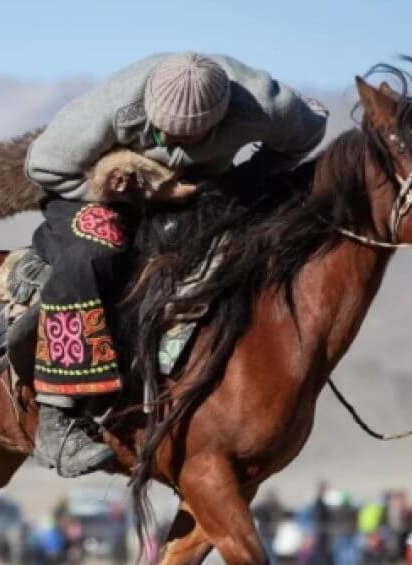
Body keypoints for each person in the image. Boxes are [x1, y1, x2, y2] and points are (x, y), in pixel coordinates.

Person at [24, 52, 329, 476]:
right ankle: (56, 419)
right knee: (91, 255)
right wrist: (143, 194)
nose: (177, 144)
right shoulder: (113, 108)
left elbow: (308, 130)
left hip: (198, 191)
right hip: (91, 194)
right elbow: (43, 168)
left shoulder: (262, 104)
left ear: (224, 118)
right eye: (167, 135)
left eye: (194, 137)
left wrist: (246, 180)